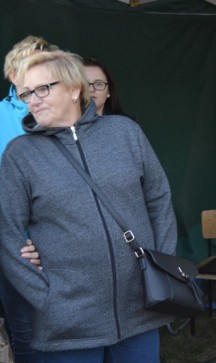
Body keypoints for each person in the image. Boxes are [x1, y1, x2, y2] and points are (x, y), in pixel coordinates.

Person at [0, 50, 177, 361]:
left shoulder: (125, 133)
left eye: (43, 88)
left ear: (73, 88)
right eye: (27, 92)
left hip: (141, 308)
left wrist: (162, 265)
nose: (33, 99)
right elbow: (6, 232)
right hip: (68, 323)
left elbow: (159, 199)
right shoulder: (20, 155)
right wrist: (46, 296)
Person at [0, 35, 57, 363]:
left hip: (64, 242)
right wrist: (18, 242)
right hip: (17, 250)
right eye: (31, 65)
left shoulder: (64, 115)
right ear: (13, 74)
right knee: (26, 336)